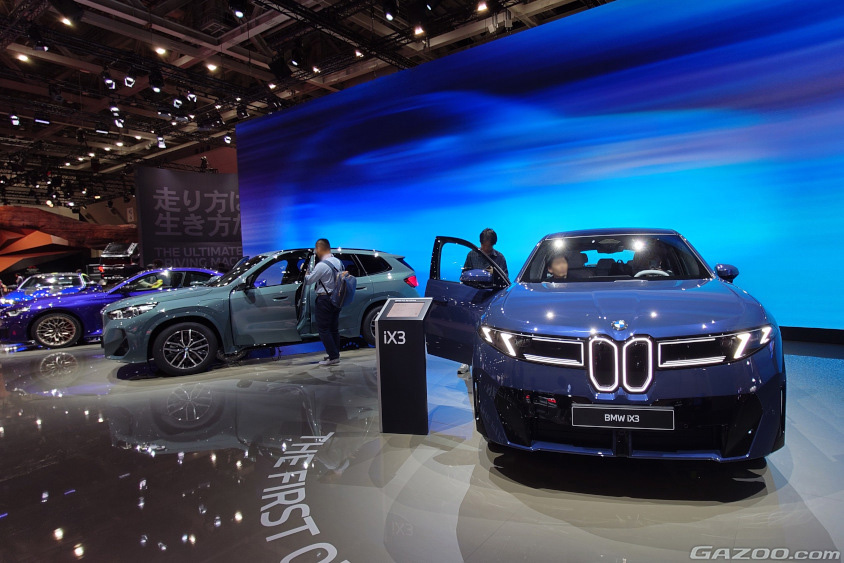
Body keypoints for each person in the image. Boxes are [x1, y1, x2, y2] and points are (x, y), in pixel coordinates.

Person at [458, 228, 508, 375]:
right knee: (469, 329)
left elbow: (505, 279)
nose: (486, 248)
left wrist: (493, 275)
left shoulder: (500, 257)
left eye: (489, 246)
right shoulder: (472, 255)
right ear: (480, 243)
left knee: (489, 332)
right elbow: (463, 275)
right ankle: (466, 361)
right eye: (484, 245)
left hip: (491, 298)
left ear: (493, 244)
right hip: (473, 297)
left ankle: (491, 363)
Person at [304, 238, 344, 366]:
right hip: (337, 298)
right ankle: (335, 354)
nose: (316, 252)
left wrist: (305, 272)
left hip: (324, 299)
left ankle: (333, 356)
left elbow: (309, 280)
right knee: (333, 328)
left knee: (323, 329)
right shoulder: (338, 262)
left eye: (316, 249)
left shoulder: (321, 265)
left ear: (319, 249)